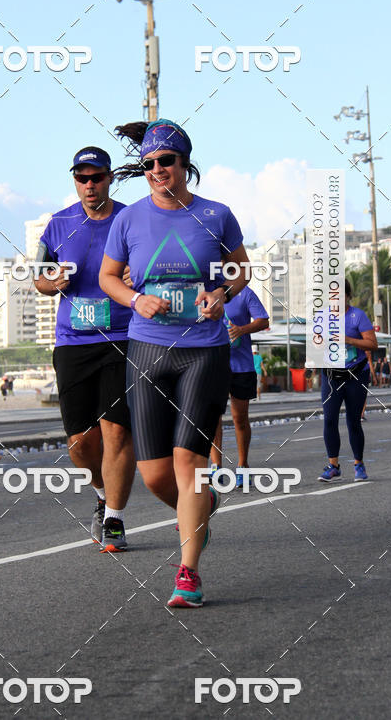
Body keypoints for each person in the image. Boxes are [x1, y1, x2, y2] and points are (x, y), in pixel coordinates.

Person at [99, 119, 250, 608]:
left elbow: (240, 269)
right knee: (155, 475)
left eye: (167, 161)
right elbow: (108, 277)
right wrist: (134, 299)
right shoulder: (128, 220)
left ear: (185, 164)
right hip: (146, 349)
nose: (158, 170)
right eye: (149, 164)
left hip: (203, 350)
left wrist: (221, 293)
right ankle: (199, 513)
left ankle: (188, 572)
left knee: (189, 462)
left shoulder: (216, 214)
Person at [34, 146, 136, 552]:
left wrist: (137, 273)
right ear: (74, 180)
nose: (89, 184)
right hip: (73, 342)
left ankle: (114, 518)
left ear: (110, 178)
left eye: (96, 177)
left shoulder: (130, 219)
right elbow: (37, 277)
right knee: (80, 442)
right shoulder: (58, 224)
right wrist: (51, 281)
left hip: (124, 338)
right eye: (82, 177)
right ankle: (100, 491)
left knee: (117, 431)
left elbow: (157, 266)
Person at [318, 279, 378, 483]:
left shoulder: (357, 316)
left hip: (356, 374)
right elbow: (315, 344)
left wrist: (349, 340)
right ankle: (333, 466)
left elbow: (372, 343)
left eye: (340, 295)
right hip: (331, 375)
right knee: (329, 419)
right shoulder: (322, 316)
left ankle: (358, 464)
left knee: (353, 420)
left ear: (348, 296)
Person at [209, 288, 269, 487]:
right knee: (212, 417)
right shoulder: (204, 289)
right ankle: (216, 467)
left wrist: (242, 329)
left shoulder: (244, 293)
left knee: (239, 418)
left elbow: (263, 320)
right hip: (213, 364)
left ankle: (243, 466)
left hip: (241, 366)